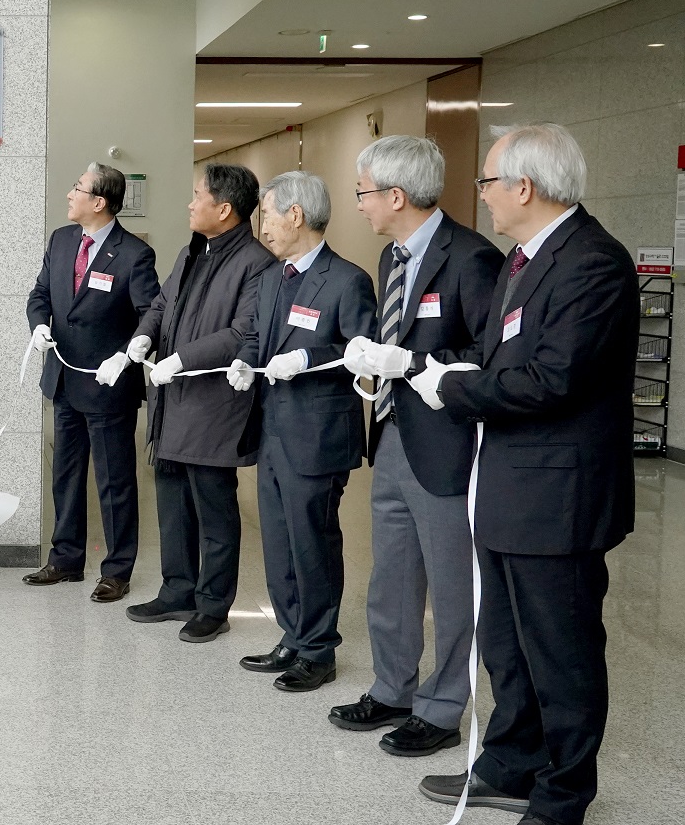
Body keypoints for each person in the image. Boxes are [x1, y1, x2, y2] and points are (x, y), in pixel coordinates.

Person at [414, 124, 636, 825]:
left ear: (523, 186)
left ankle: (564, 790)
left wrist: (451, 390)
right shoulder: (521, 259)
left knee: (560, 649)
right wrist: (441, 364)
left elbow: (552, 379)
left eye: (484, 181)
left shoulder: (592, 261)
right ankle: (510, 762)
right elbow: (496, 353)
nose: (479, 196)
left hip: (557, 493)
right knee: (505, 642)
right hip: (507, 480)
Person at [333, 135, 502, 756]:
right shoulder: (392, 259)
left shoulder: (472, 258)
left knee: (451, 582)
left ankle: (440, 705)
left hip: (448, 443)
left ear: (395, 195)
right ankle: (392, 686)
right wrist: (375, 361)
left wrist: (411, 360)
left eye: (364, 193)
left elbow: (489, 357)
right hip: (395, 434)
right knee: (392, 577)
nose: (361, 205)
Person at [227, 171, 374, 692]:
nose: (261, 224)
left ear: (296, 214)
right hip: (272, 430)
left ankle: (318, 649)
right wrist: (247, 362)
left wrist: (310, 357)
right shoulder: (271, 278)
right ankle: (291, 633)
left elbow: (362, 354)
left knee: (312, 541)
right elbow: (254, 338)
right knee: (279, 540)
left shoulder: (346, 279)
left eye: (267, 213)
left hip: (316, 436)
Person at [126, 163, 275, 642]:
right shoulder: (193, 251)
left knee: (213, 508)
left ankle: (213, 604)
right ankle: (178, 589)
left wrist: (183, 358)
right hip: (171, 401)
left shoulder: (256, 263)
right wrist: (142, 340)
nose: (190, 204)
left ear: (224, 208)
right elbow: (162, 305)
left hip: (213, 406)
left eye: (197, 196)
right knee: (171, 500)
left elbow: (242, 333)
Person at [23, 162, 160, 602]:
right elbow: (40, 293)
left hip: (108, 386)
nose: (70, 193)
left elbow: (151, 315)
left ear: (98, 202)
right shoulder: (62, 241)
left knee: (114, 481)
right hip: (64, 379)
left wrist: (127, 355)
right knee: (65, 475)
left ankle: (117, 570)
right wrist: (39, 325)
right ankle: (65, 559)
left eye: (77, 187)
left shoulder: (135, 254)